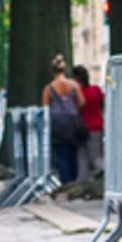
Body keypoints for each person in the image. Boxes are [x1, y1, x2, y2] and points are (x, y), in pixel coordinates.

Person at [42, 54, 86, 185]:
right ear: (65, 70)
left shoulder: (49, 88)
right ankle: (73, 179)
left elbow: (44, 106)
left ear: (52, 71)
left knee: (62, 153)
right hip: (72, 123)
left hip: (57, 123)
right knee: (73, 152)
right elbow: (82, 102)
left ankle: (65, 181)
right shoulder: (73, 85)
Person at [73, 64, 105, 180]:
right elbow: (103, 103)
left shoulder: (77, 93)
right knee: (95, 154)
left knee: (82, 156)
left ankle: (83, 179)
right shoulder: (96, 90)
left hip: (81, 129)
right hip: (96, 126)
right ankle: (99, 174)